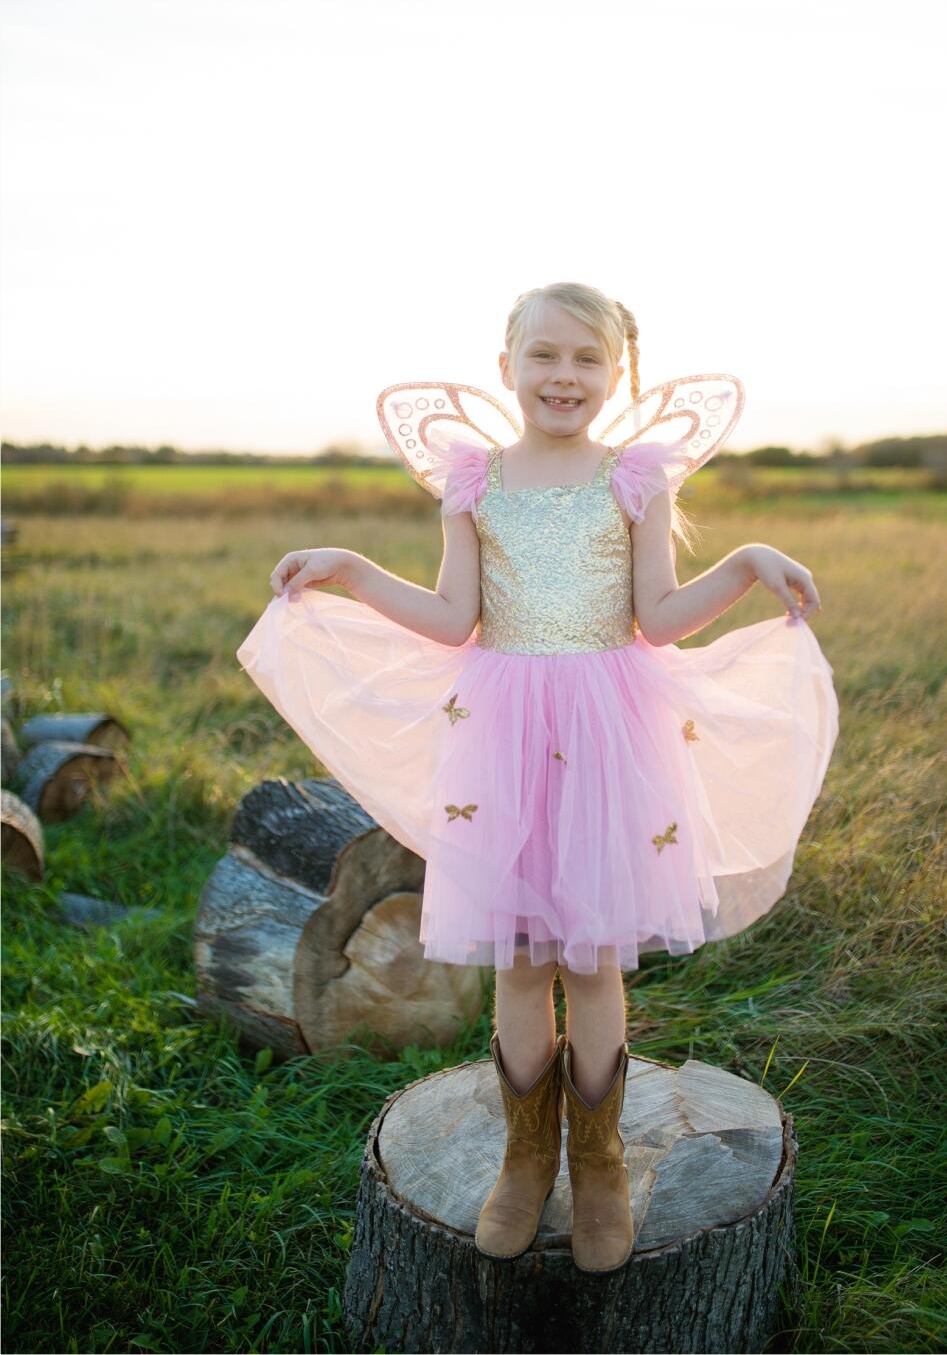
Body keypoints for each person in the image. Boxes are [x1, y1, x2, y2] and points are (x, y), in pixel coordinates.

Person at [236, 281, 838, 1276]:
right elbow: (450, 616)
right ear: (507, 364)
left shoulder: (636, 478)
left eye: (587, 360)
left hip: (607, 737)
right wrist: (348, 564)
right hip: (502, 737)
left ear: (617, 374)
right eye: (545, 356)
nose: (565, 376)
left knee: (592, 958)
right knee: (520, 957)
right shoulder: (475, 480)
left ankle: (596, 1162)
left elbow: (656, 617)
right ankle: (526, 1155)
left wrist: (744, 560)